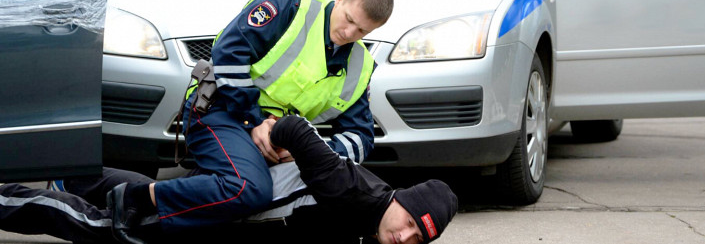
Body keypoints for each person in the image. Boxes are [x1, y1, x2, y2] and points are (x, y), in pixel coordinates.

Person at [110, 0, 394, 238]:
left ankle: (101, 187)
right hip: (222, 110)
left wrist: (306, 151)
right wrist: (254, 122)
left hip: (275, 141)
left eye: (362, 30)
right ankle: (133, 201)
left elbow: (360, 138)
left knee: (215, 189)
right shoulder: (289, 6)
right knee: (250, 190)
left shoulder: (360, 66)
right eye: (348, 20)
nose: (349, 32)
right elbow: (229, 51)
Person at [0, 115, 458, 244]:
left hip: (222, 207)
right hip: (220, 209)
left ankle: (63, 170)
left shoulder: (369, 218)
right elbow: (297, 129)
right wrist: (268, 132)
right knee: (100, 226)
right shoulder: (353, 189)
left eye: (417, 239)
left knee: (123, 190)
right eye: (411, 223)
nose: (405, 237)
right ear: (403, 199)